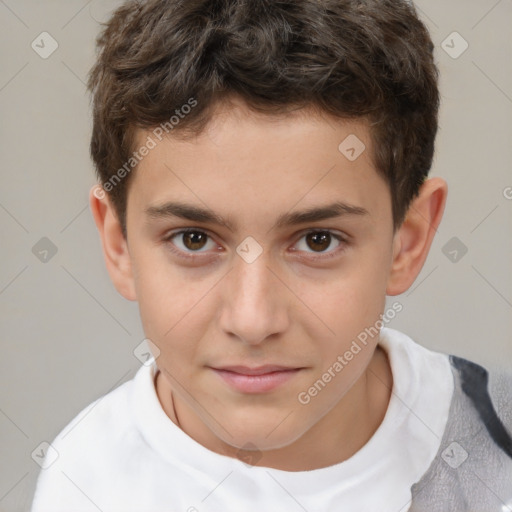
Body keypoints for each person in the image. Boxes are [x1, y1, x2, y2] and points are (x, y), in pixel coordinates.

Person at [30, 0, 512, 510]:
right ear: (118, 243)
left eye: (318, 240)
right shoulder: (85, 485)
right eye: (194, 239)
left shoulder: (495, 452)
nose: (253, 320)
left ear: (406, 241)